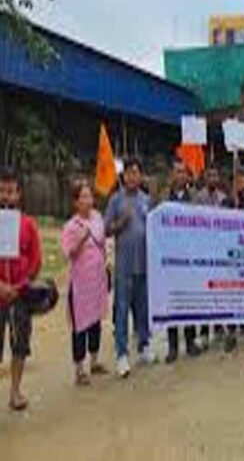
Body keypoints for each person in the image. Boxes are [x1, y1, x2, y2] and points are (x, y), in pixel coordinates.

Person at [105, 158, 156, 377]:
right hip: (124, 266)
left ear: (140, 175)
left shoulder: (147, 200)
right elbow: (106, 229)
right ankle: (122, 354)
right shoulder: (116, 200)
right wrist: (120, 223)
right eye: (129, 173)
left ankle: (144, 345)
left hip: (143, 265)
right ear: (123, 176)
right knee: (122, 310)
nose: (132, 177)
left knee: (143, 308)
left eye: (136, 172)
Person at [0, 167, 42, 410]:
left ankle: (15, 391)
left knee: (20, 344)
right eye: (2, 191)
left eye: (11, 191)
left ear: (19, 194)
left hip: (20, 296)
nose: (6, 196)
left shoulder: (28, 225)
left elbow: (35, 261)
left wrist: (18, 287)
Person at [61, 180, 110, 385]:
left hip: (97, 282)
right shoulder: (71, 226)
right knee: (80, 326)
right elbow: (68, 253)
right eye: (83, 197)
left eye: (89, 196)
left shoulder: (98, 218)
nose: (87, 200)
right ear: (75, 202)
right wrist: (81, 240)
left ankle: (94, 361)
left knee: (95, 321)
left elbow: (103, 243)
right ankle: (79, 369)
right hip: (80, 286)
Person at [162, 159, 201, 364]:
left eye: (183, 172)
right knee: (172, 302)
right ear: (172, 175)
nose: (180, 175)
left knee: (189, 301)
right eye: (177, 171)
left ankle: (190, 341)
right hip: (169, 259)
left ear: (187, 176)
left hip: (189, 258)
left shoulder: (193, 199)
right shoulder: (163, 199)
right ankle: (172, 347)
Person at [195, 165, 228, 350]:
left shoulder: (223, 198)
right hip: (204, 251)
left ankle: (218, 327)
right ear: (205, 177)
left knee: (219, 291)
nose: (213, 178)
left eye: (215, 175)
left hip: (220, 252)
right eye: (210, 175)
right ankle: (204, 332)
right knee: (205, 293)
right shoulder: (199, 198)